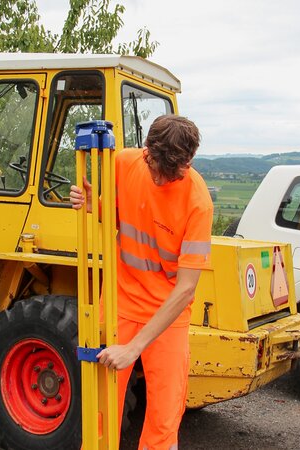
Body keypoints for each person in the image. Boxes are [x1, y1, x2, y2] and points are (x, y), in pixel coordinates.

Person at [70, 114, 213, 450]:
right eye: (155, 169)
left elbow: (187, 288)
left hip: (168, 312)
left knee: (164, 417)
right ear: (146, 150)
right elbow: (117, 214)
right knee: (99, 408)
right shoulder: (123, 162)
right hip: (120, 301)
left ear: (188, 162)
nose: (160, 180)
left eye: (171, 174)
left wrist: (135, 347)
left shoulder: (198, 203)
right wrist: (94, 205)